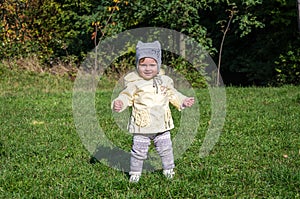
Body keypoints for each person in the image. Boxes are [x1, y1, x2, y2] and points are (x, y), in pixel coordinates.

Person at [112, 41, 195, 183]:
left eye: (152, 65)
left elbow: (173, 94)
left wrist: (183, 100)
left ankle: (168, 169)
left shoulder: (164, 81)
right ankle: (135, 173)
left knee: (166, 149)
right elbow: (126, 96)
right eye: (143, 65)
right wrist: (120, 103)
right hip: (142, 126)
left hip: (162, 125)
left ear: (159, 65)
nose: (148, 68)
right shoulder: (134, 83)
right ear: (137, 65)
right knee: (138, 152)